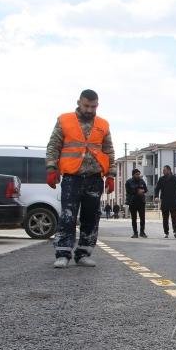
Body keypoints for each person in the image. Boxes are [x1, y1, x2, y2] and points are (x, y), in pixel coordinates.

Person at [46, 89, 115, 269]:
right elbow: (54, 145)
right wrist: (52, 168)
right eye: (86, 106)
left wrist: (111, 175)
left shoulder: (103, 125)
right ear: (79, 102)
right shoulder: (64, 120)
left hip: (94, 177)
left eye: (93, 106)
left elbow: (108, 151)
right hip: (72, 177)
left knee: (91, 217)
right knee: (68, 215)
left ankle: (83, 253)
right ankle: (63, 253)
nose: (90, 110)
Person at [154, 165, 176, 238]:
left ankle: (175, 231)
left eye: (164, 170)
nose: (163, 171)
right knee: (165, 218)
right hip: (164, 201)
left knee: (174, 217)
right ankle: (166, 232)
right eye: (163, 170)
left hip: (173, 201)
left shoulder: (175, 179)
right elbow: (157, 189)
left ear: (169, 170)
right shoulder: (161, 179)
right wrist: (156, 196)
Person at [125, 169, 148, 238]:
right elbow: (128, 191)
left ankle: (142, 232)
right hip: (132, 202)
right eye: (137, 174)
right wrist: (137, 191)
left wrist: (143, 191)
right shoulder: (128, 182)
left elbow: (146, 190)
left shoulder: (142, 181)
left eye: (139, 174)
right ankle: (135, 233)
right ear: (133, 175)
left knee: (142, 218)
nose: (138, 176)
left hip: (141, 202)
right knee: (134, 218)